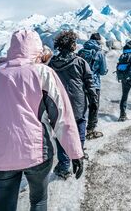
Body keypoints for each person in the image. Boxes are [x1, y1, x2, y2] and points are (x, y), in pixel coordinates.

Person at [0, 30, 84, 211]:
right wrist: (75, 153)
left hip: (0, 153)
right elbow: (62, 117)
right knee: (38, 201)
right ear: (37, 48)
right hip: (36, 151)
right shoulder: (43, 72)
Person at [49, 30, 98, 178]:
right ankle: (79, 154)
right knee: (79, 128)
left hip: (59, 105)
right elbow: (90, 84)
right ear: (71, 45)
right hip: (78, 104)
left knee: (61, 132)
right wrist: (93, 102)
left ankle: (64, 165)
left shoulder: (51, 63)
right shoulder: (80, 62)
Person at [78, 33, 108, 140]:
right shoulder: (99, 53)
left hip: (81, 83)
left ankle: (78, 130)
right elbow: (103, 71)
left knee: (81, 107)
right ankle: (91, 130)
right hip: (94, 84)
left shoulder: (81, 51)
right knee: (94, 106)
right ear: (99, 41)